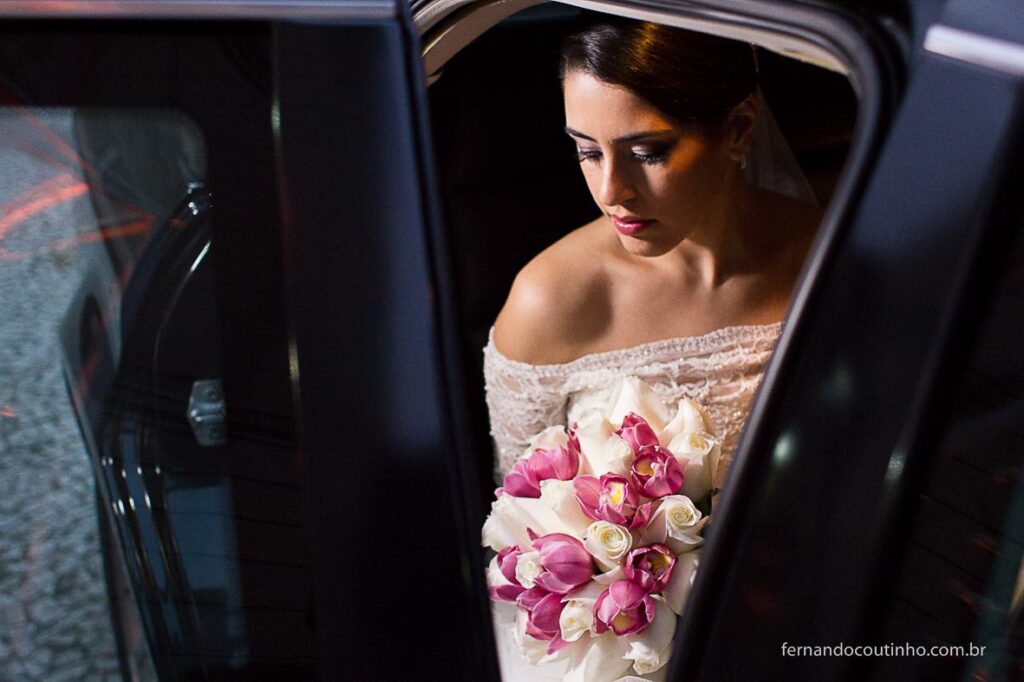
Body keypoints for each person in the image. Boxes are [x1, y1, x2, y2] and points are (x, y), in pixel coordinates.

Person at [483, 17, 821, 680]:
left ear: (739, 130)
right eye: (586, 150)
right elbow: (523, 527)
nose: (613, 190)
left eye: (648, 151)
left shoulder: (828, 258)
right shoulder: (551, 302)